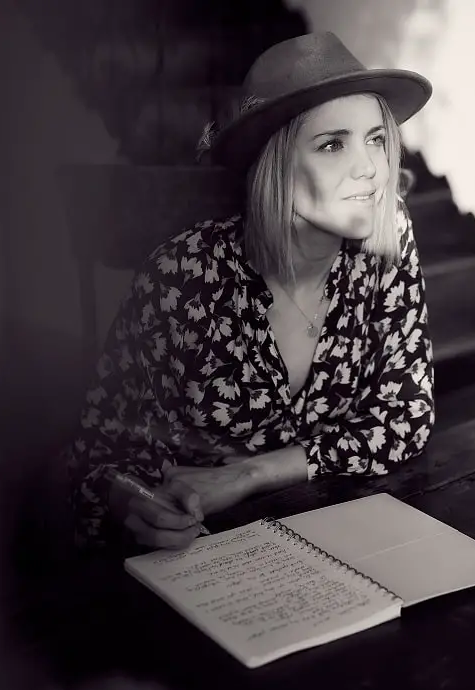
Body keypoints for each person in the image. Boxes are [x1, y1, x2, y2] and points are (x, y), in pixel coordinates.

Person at [65, 31, 435, 551]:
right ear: (274, 162)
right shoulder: (183, 277)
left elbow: (405, 418)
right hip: (201, 558)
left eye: (376, 138)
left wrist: (251, 474)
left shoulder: (387, 236)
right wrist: (131, 502)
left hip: (338, 537)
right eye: (333, 144)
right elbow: (96, 459)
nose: (371, 169)